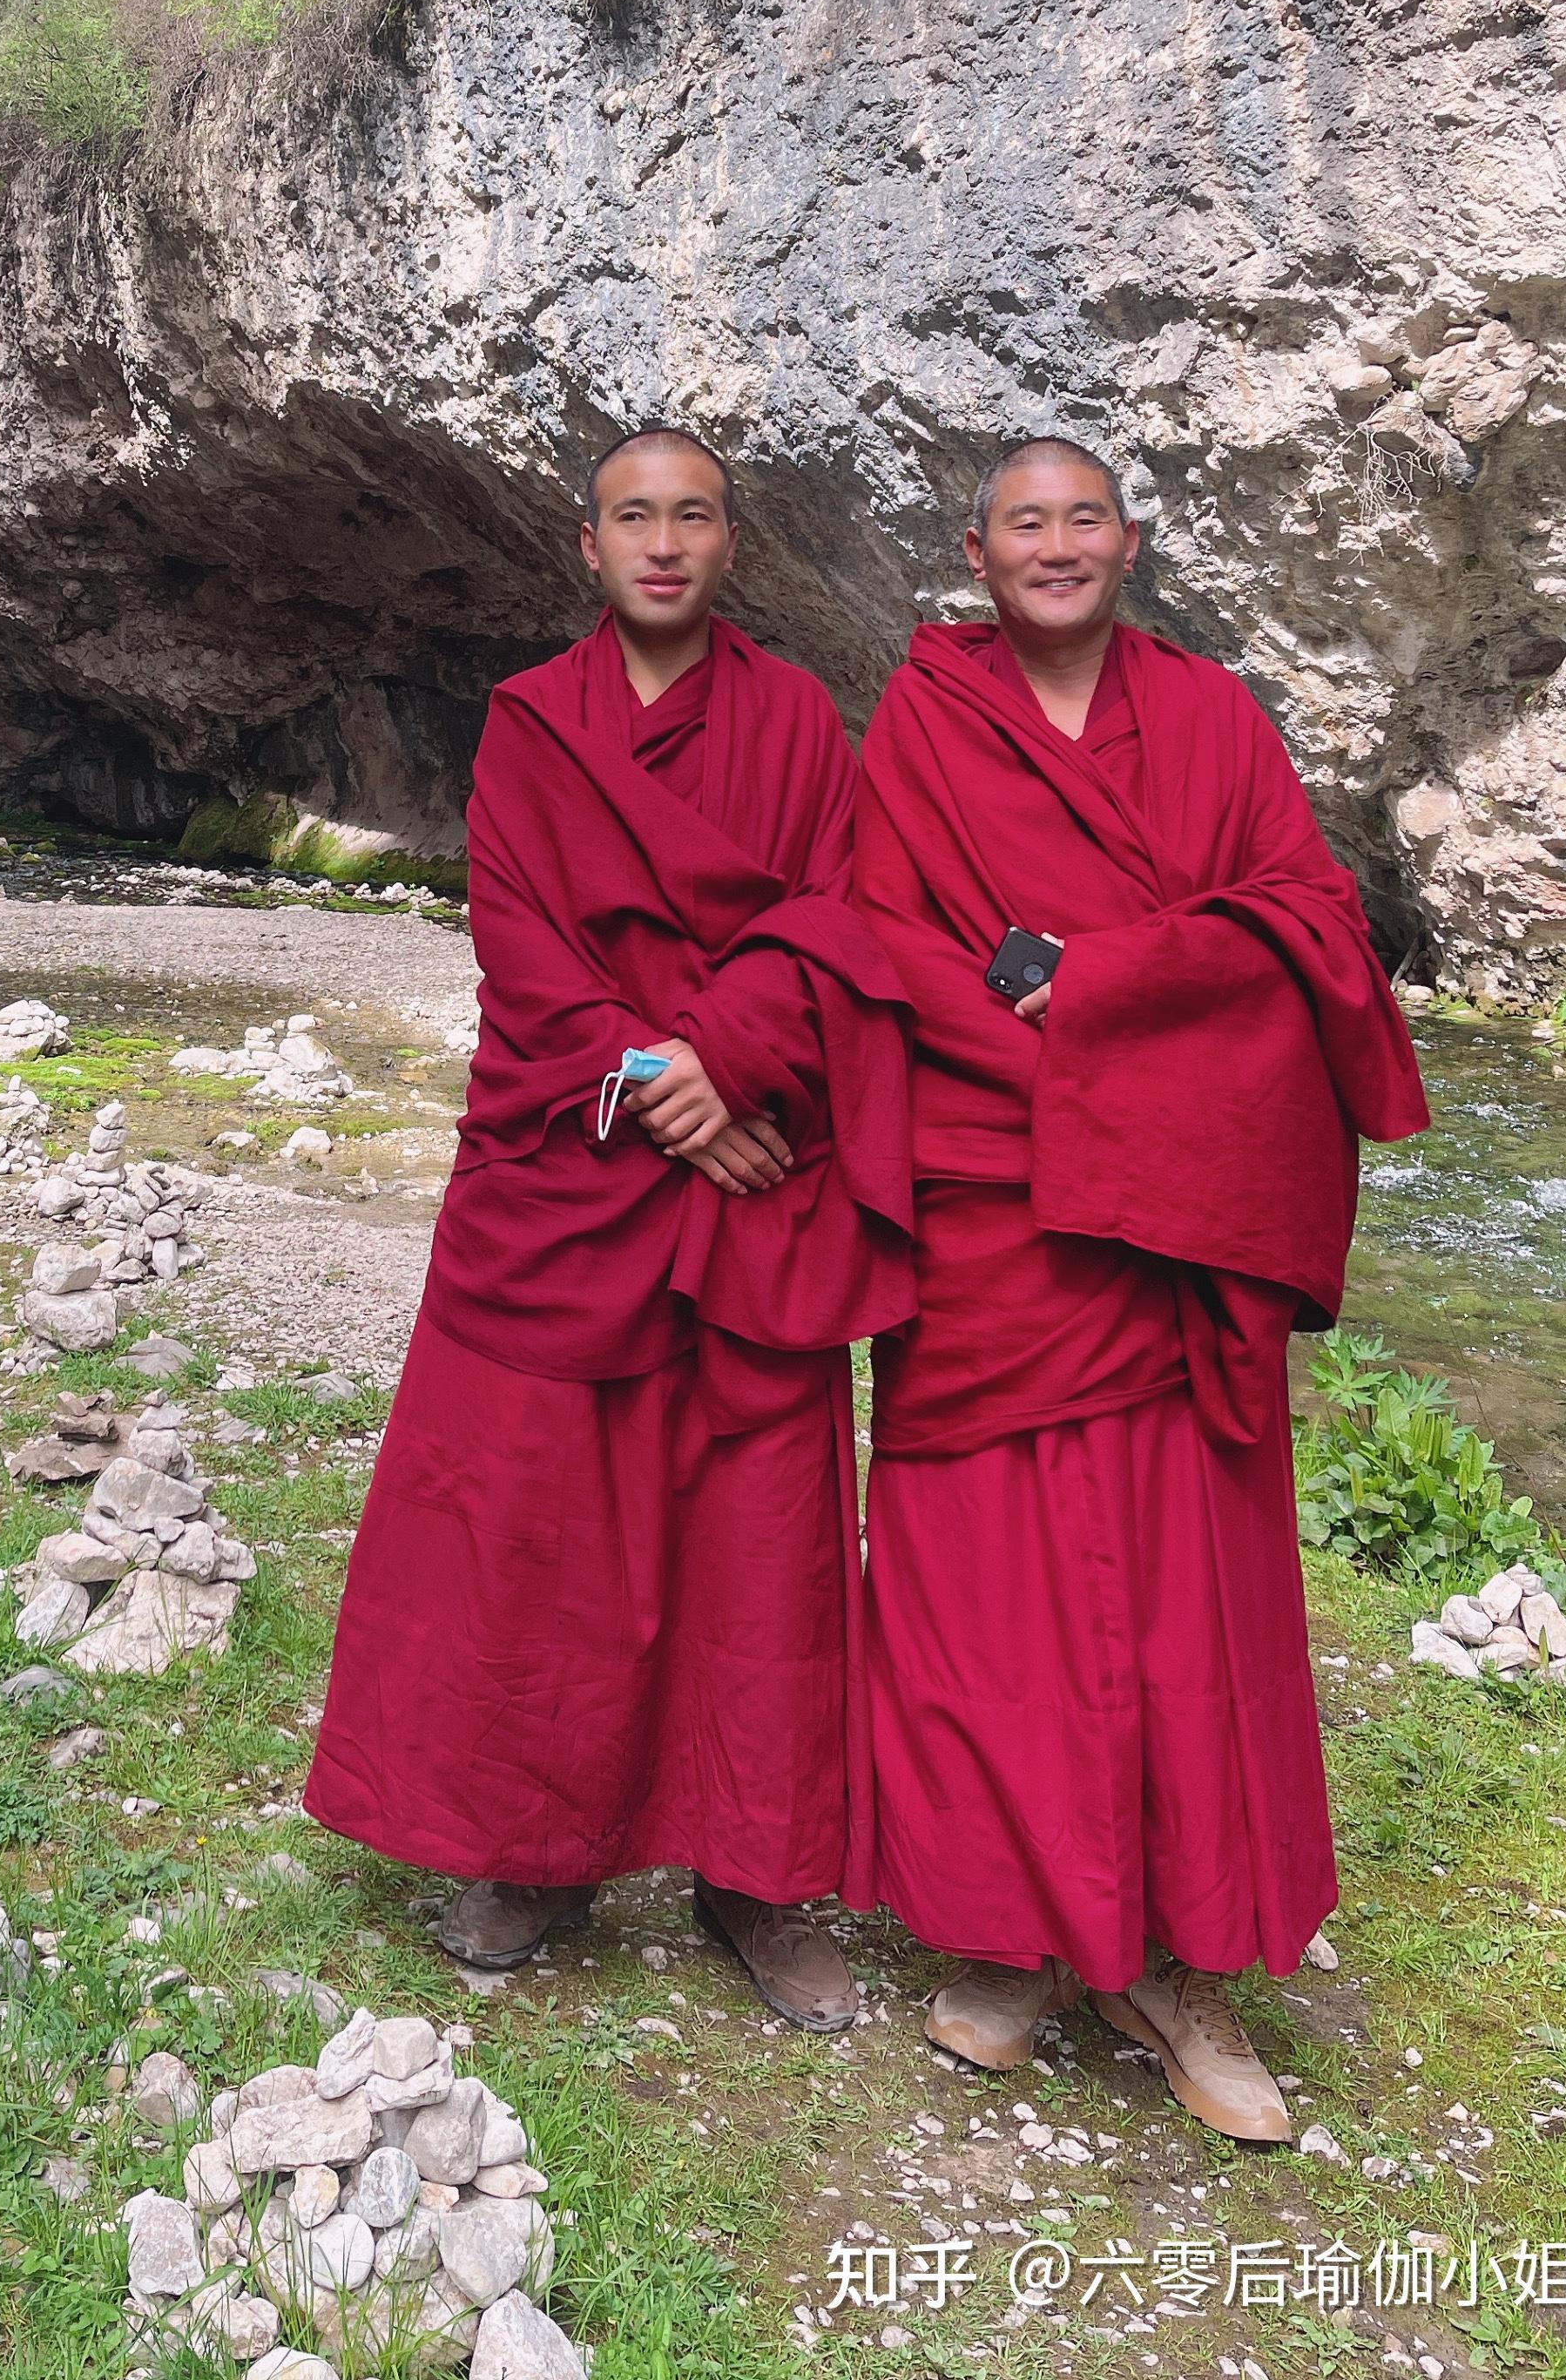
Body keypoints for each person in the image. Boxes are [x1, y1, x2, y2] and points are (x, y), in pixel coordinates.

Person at [852, 436, 1427, 2140]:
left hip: (1176, 1233)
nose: (1054, 546)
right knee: (990, 1594)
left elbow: (1311, 929)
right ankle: (1016, 1945)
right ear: (977, 549)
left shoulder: (1216, 725)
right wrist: (1065, 1090)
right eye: (1023, 522)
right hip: (999, 1219)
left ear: (1126, 539)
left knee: (1183, 1606)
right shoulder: (923, 728)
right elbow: (886, 949)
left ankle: (1179, 1974)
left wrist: (1104, 998)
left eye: (1081, 518)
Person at [307, 425, 916, 2025]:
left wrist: (730, 1065)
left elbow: (829, 916)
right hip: (581, 1157)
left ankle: (758, 1877)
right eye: (634, 517)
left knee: (757, 1527)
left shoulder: (794, 720)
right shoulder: (530, 723)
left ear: (732, 542)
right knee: (538, 1524)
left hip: (749, 1150)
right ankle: (533, 1847)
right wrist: (663, 1083)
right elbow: (516, 932)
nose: (664, 543)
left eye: (694, 516)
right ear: (588, 547)